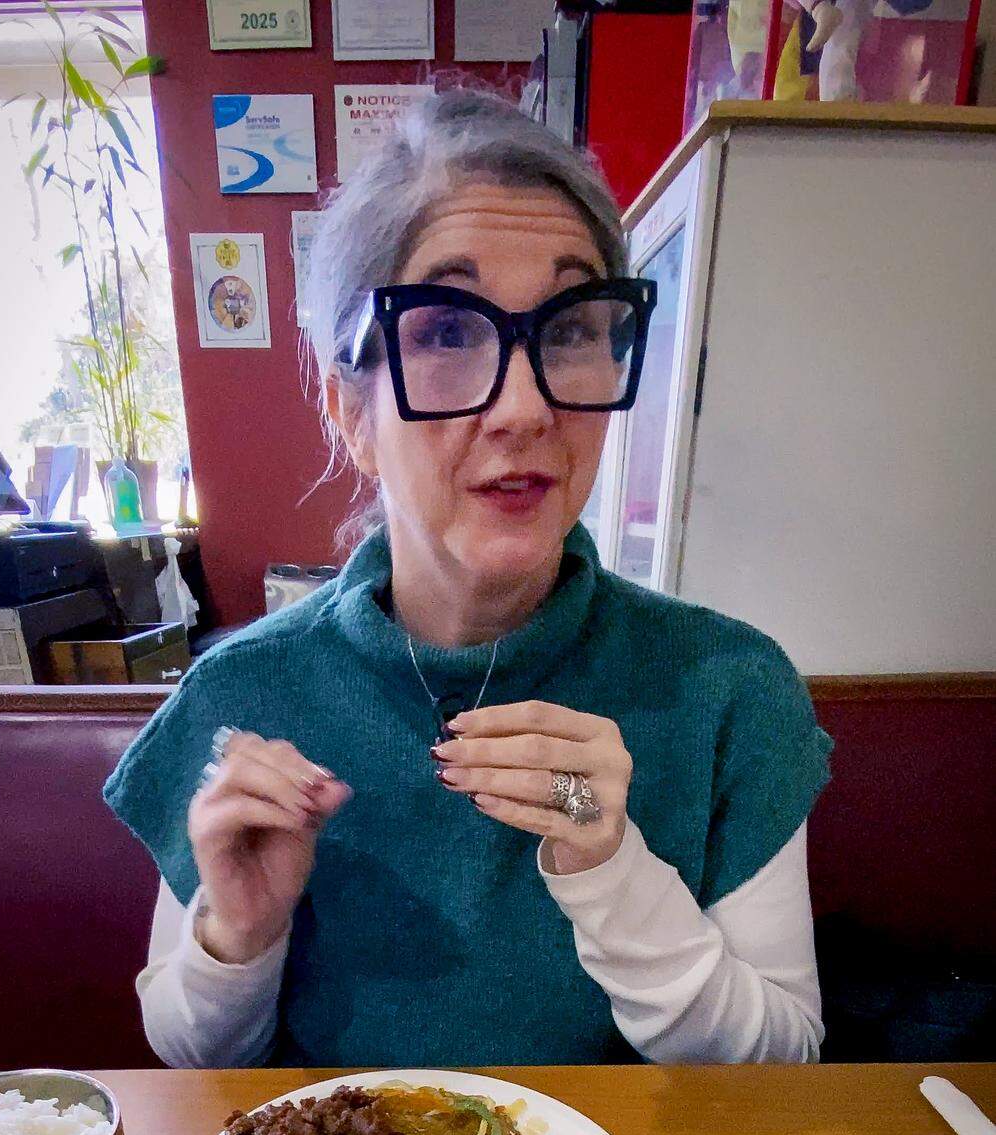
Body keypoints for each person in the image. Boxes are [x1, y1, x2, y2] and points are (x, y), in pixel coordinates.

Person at [105, 90, 831, 1070]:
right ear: (351, 414)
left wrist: (613, 869)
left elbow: (783, 1064)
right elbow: (191, 1060)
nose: (525, 409)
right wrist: (239, 933)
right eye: (448, 332)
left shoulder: (727, 688)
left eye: (570, 329)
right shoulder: (243, 693)